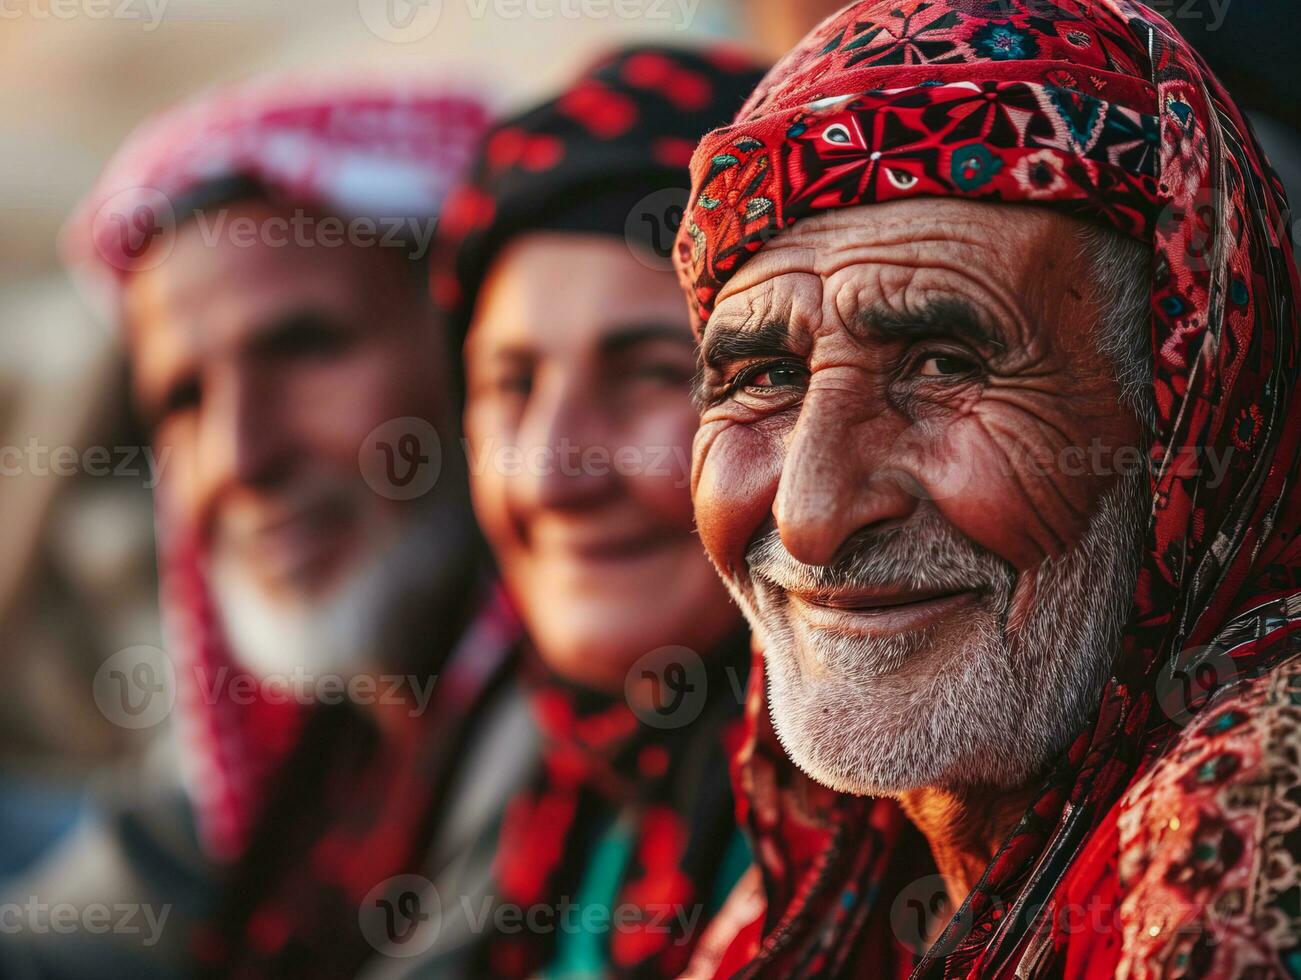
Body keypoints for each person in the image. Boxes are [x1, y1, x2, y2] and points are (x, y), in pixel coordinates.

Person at [672, 0, 1301, 976]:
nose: (810, 512)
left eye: (939, 364)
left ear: (1185, 408)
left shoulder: (1250, 814)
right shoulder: (828, 877)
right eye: (763, 377)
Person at [6, 79, 530, 980]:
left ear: (477, 351)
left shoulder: (575, 727)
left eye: (304, 346)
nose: (240, 456)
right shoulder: (304, 742)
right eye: (183, 399)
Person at [432, 45, 766, 978]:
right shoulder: (541, 795)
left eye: (653, 374)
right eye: (510, 383)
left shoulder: (908, 831)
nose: (548, 472)